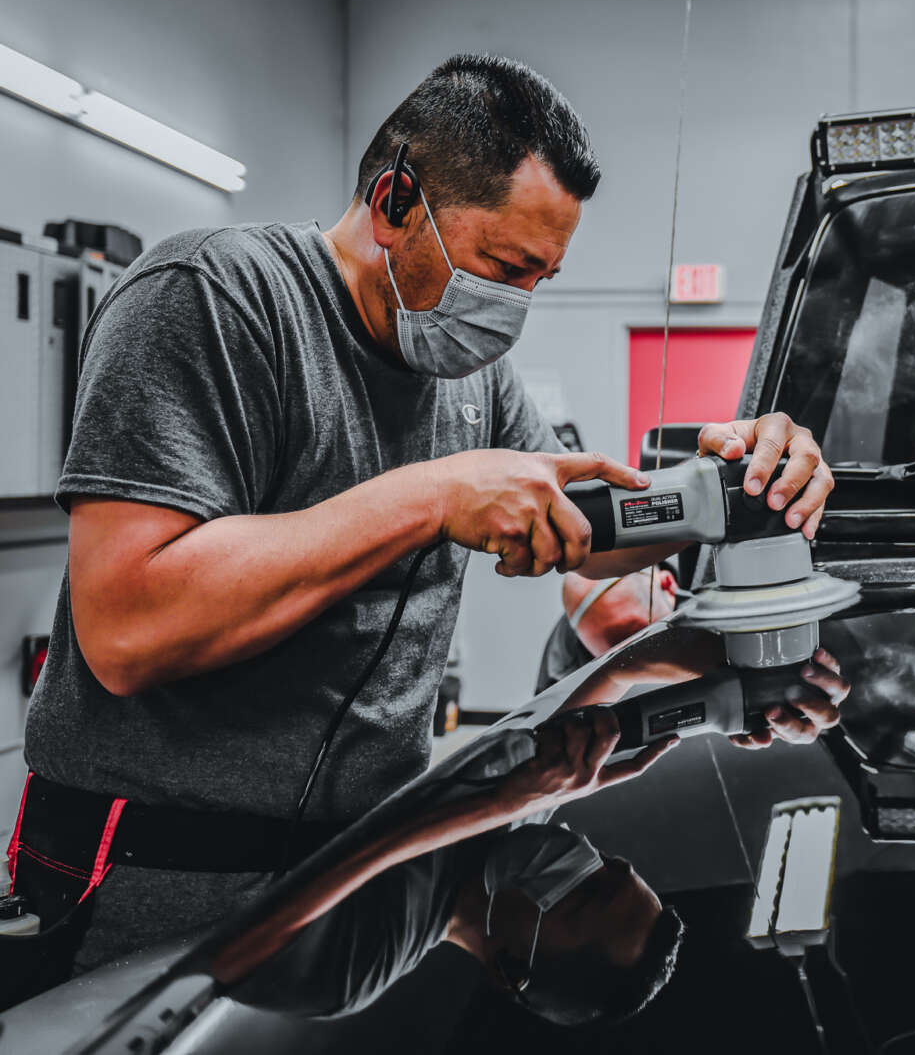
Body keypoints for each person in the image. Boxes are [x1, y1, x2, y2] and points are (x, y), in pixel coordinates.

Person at [9, 52, 844, 987]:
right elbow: (128, 628)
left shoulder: (471, 374)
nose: (514, 307)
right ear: (396, 200)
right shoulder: (213, 299)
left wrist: (727, 491)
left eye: (541, 277)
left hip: (359, 858)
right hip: (143, 878)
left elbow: (578, 533)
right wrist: (432, 497)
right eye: (501, 266)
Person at [215, 711, 681, 1024]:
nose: (582, 857)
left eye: (585, 894)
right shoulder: (524, 809)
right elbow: (593, 700)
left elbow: (225, 959)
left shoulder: (358, 968)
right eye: (607, 866)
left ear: (513, 966)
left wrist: (489, 806)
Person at [536, 564, 681, 692]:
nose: (634, 666)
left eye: (640, 639)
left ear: (668, 585)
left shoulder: (698, 561)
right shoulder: (562, 685)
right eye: (611, 656)